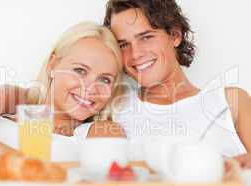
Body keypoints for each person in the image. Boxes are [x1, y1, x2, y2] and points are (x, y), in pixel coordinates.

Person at [103, 0, 251, 164]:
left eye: (146, 37)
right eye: (123, 45)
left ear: (175, 35)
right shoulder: (114, 107)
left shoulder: (230, 102)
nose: (135, 54)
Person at [0, 21, 125, 161]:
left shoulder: (101, 131)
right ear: (52, 65)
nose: (90, 88)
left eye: (105, 79)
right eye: (80, 70)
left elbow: (62, 185)